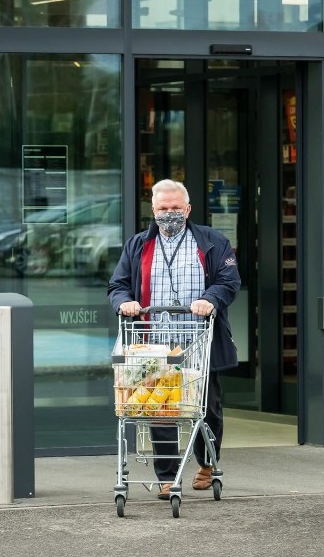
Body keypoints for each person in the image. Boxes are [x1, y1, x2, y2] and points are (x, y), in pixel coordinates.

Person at [108, 179, 241, 500]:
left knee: (206, 408)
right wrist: (124, 302)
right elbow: (118, 285)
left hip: (200, 343)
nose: (170, 214)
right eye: (163, 209)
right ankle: (168, 476)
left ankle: (207, 465)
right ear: (153, 210)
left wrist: (211, 298)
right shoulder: (137, 245)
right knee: (161, 409)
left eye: (176, 209)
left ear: (188, 209)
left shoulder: (212, 241)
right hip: (154, 343)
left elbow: (229, 280)